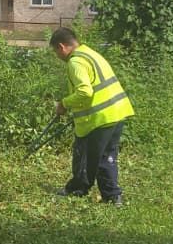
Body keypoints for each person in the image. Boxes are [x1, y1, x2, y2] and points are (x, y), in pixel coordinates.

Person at [49, 27, 134, 205]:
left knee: (85, 156)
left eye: (56, 52)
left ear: (61, 47)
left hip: (98, 119)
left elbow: (85, 92)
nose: (58, 57)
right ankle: (113, 197)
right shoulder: (91, 53)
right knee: (107, 157)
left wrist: (63, 104)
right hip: (116, 114)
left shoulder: (75, 62)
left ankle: (78, 189)